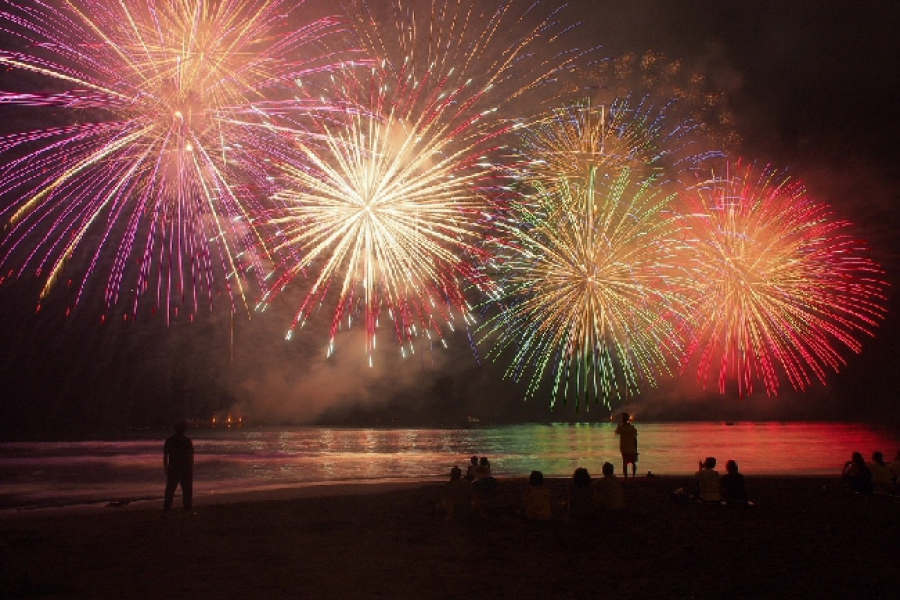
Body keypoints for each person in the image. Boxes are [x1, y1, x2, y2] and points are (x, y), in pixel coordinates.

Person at [163, 421, 194, 512]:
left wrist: (166, 468)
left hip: (173, 468)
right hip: (185, 468)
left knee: (170, 491)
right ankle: (188, 510)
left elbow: (165, 456)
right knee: (187, 491)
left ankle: (166, 511)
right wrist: (191, 468)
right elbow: (191, 456)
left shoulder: (169, 440)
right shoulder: (187, 441)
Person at [615, 412, 638, 479]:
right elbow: (635, 439)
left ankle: (626, 478)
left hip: (624, 448)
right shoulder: (632, 428)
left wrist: (619, 424)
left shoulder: (621, 428)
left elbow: (616, 432)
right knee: (633, 462)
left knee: (625, 463)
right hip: (632, 447)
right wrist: (636, 448)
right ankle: (633, 476)